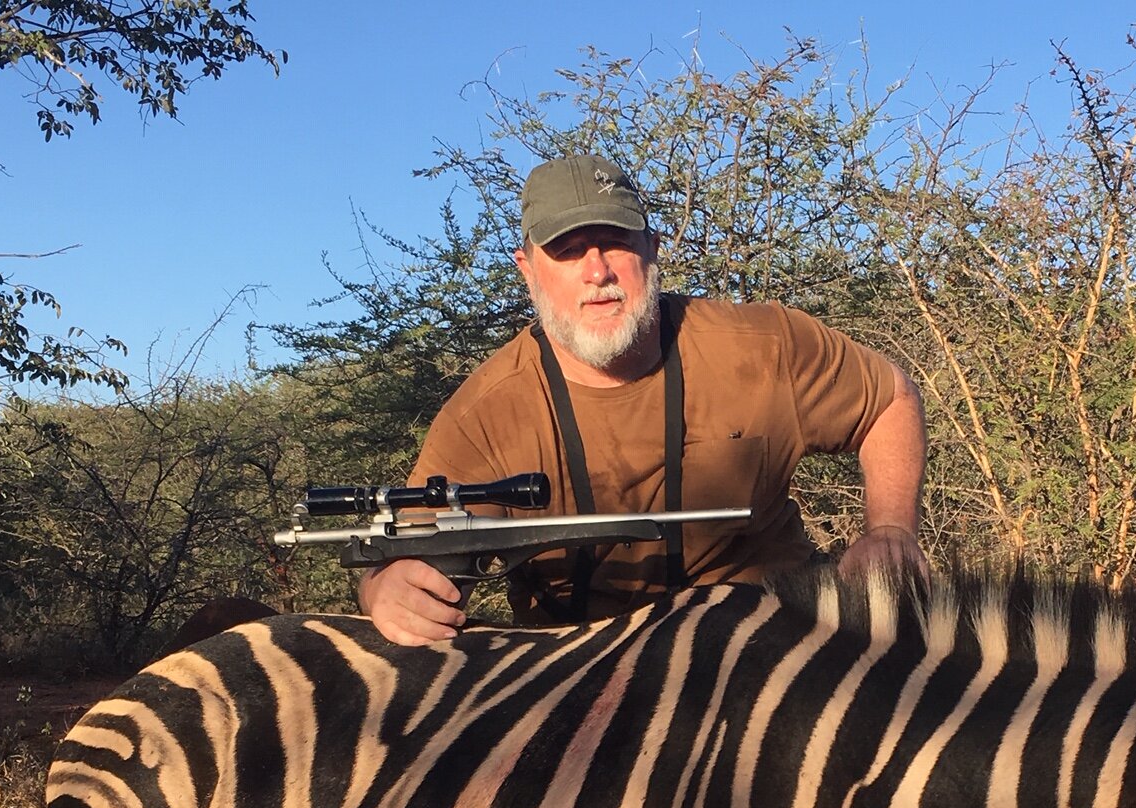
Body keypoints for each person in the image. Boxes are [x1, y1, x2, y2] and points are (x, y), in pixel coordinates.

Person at [359, 151, 929, 644]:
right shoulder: (483, 414)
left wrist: (890, 531)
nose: (597, 271)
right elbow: (409, 552)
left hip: (774, 640)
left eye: (615, 242)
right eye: (568, 249)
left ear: (652, 249)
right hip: (587, 674)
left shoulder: (763, 345)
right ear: (528, 270)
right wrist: (384, 589)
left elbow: (890, 401)